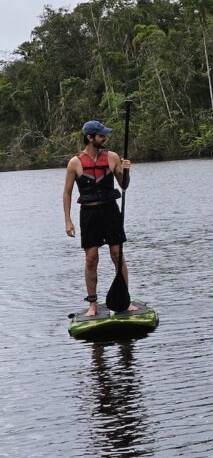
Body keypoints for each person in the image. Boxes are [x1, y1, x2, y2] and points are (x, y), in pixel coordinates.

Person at [63, 119, 136, 316]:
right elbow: (67, 193)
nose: (105, 138)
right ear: (90, 137)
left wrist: (126, 169)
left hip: (110, 211)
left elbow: (124, 185)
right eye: (101, 135)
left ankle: (124, 300)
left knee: (117, 254)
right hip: (89, 214)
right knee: (91, 258)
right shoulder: (75, 163)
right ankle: (93, 304)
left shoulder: (111, 157)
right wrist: (68, 221)